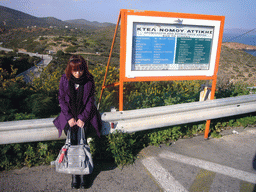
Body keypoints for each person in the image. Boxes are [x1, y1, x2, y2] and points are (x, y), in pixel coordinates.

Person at [53, 55, 101, 189]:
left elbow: (90, 101)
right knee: (72, 142)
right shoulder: (64, 79)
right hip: (69, 117)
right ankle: (75, 174)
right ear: (70, 69)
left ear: (84, 68)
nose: (78, 73)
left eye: (80, 70)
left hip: (84, 117)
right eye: (75, 70)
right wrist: (69, 118)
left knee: (83, 142)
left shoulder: (89, 80)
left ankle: (84, 172)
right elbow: (61, 99)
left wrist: (82, 118)